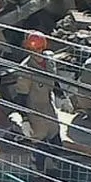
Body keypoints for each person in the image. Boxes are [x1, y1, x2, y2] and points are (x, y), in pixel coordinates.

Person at [13, 30, 61, 166]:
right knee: (40, 145)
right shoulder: (26, 69)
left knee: (56, 140)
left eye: (39, 49)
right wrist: (25, 119)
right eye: (33, 50)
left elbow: (54, 79)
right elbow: (21, 97)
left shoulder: (49, 61)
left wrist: (61, 96)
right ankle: (38, 171)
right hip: (34, 111)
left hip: (48, 106)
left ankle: (59, 168)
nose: (37, 53)